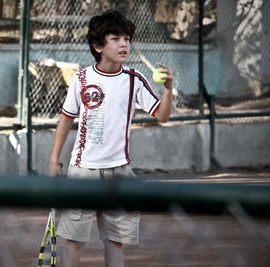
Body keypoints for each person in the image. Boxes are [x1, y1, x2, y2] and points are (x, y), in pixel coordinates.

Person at [48, 9, 173, 267]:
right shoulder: (81, 79)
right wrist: (54, 160)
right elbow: (66, 118)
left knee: (115, 240)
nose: (124, 44)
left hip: (120, 172)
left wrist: (169, 89)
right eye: (116, 38)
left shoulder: (134, 80)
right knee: (75, 239)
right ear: (98, 46)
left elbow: (162, 115)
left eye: (127, 38)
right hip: (83, 171)